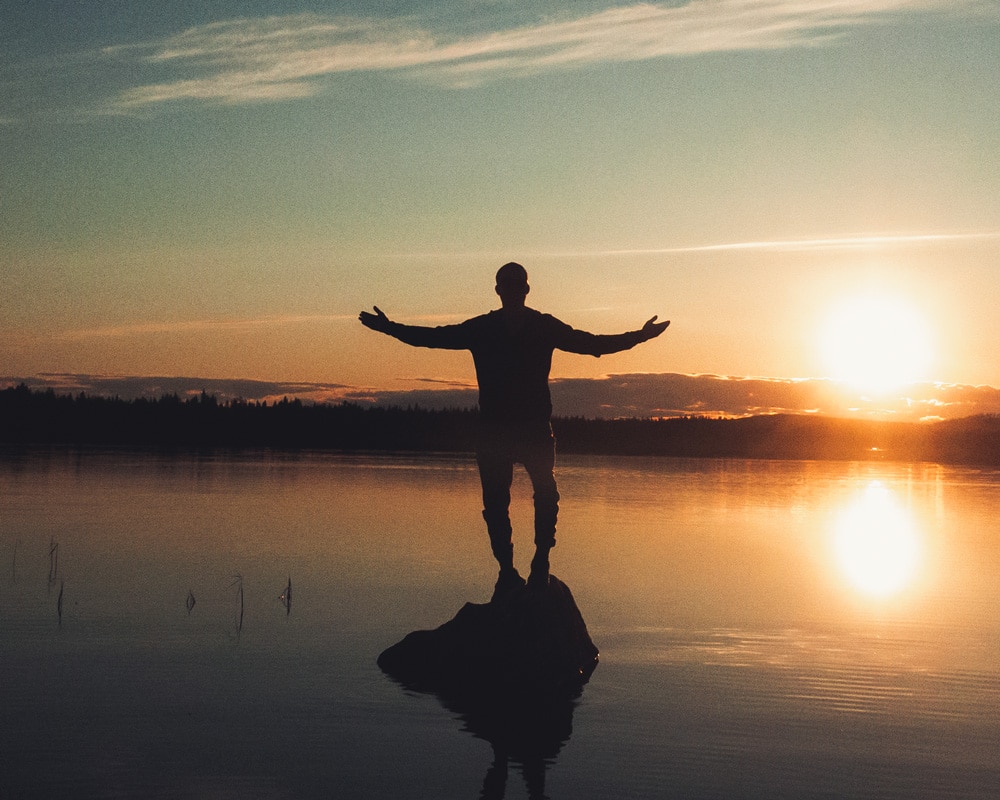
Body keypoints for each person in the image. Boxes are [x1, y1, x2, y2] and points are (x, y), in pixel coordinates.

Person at [360, 262, 669, 599]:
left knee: (544, 495)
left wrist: (640, 336)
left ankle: (539, 563)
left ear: (524, 289)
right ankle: (508, 571)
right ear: (501, 290)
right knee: (498, 504)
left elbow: (592, 344)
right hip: (495, 431)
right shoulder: (485, 328)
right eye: (506, 285)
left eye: (514, 285)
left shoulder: (541, 326)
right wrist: (388, 328)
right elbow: (433, 338)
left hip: (531, 429)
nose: (510, 290)